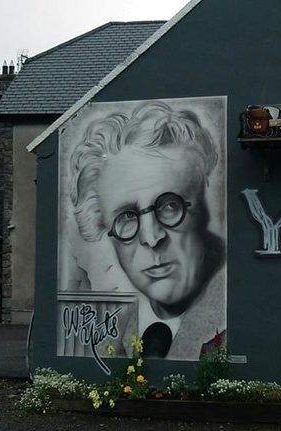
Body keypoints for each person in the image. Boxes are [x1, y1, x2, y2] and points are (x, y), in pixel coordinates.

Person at [69, 100, 225, 360]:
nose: (152, 238)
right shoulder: (111, 334)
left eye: (169, 206)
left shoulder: (235, 319)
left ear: (205, 204)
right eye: (126, 217)